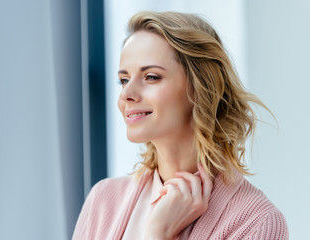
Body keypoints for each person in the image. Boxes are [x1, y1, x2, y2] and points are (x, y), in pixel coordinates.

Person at [73, 11, 288, 239]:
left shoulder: (256, 223)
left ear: (200, 87)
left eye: (151, 77)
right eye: (124, 80)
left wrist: (158, 233)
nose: (127, 94)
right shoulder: (103, 200)